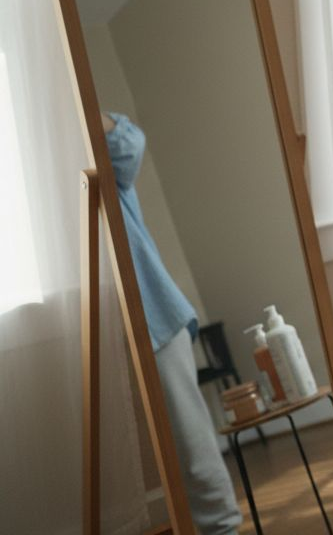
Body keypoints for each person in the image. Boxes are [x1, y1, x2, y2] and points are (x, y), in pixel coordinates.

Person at [104, 112, 242, 535]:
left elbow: (128, 145)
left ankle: (223, 530)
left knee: (192, 448)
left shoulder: (100, 154)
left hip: (152, 316)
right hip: (90, 334)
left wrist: (75, 107)